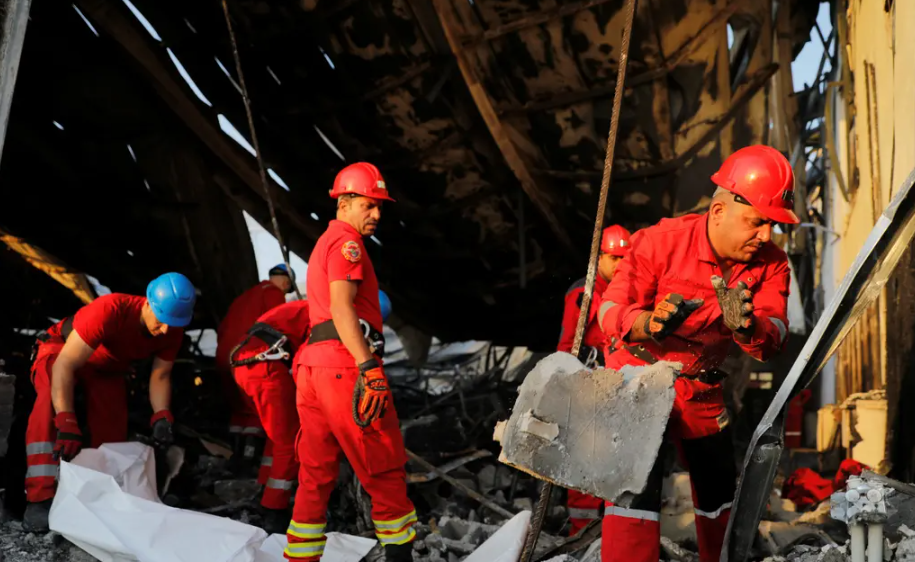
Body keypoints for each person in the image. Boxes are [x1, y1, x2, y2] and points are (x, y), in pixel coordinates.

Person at [597, 145, 798, 562]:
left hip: (701, 388)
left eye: (773, 225)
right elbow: (609, 310)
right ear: (719, 211)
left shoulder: (773, 264)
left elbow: (775, 335)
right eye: (758, 222)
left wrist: (748, 326)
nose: (766, 236)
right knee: (634, 492)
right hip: (639, 377)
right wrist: (648, 323)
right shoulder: (658, 242)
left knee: (719, 489)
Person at [286, 163, 416, 562]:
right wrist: (369, 367)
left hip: (314, 367)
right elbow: (342, 308)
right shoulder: (348, 244)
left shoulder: (325, 242)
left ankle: (301, 557)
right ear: (344, 203)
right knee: (382, 464)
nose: (376, 214)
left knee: (315, 473)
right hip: (343, 367)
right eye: (367, 205)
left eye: (379, 207)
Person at [23, 272, 196, 532]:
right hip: (62, 350)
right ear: (148, 303)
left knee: (112, 430)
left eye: (174, 324)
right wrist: (66, 420)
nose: (165, 330)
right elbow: (65, 365)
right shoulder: (110, 309)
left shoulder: (172, 330)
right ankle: (40, 498)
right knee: (49, 403)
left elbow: (160, 375)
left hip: (105, 367)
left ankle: (97, 497)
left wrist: (161, 414)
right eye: (162, 321)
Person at [557, 224, 632, 535]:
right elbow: (567, 345)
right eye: (614, 258)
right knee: (584, 460)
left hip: (616, 386)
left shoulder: (627, 290)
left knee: (610, 459)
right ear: (599, 257)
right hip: (587, 387)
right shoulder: (584, 293)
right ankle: (581, 530)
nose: (619, 265)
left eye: (624, 259)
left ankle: (607, 529)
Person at [230, 297, 311, 533]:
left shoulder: (301, 308)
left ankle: (264, 486)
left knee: (275, 434)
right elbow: (309, 360)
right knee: (290, 440)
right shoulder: (326, 312)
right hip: (265, 367)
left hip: (245, 363)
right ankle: (274, 509)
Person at [216, 264, 295, 467]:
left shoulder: (243, 297)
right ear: (286, 282)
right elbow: (278, 325)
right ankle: (250, 461)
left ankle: (234, 455)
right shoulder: (273, 294)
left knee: (238, 409)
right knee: (256, 409)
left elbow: (223, 327)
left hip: (224, 355)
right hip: (248, 358)